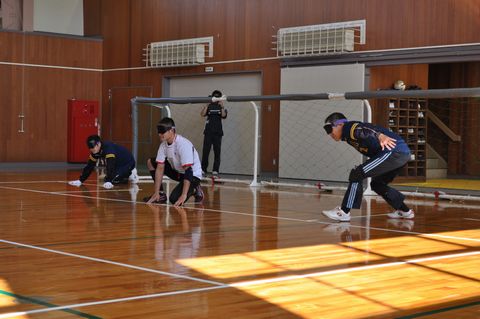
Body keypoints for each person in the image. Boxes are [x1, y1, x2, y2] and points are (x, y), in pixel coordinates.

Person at [321, 112, 414, 222]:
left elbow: (363, 128)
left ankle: (344, 212)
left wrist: (379, 135)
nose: (329, 134)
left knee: (357, 173)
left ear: (340, 124)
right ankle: (405, 211)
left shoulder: (348, 127)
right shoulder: (347, 137)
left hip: (394, 152)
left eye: (329, 128)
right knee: (377, 184)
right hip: (401, 154)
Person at [145, 117, 204, 206]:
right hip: (179, 173)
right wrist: (156, 192)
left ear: (171, 131)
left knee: (174, 199)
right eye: (159, 132)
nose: (160, 134)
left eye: (162, 132)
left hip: (192, 175)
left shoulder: (183, 145)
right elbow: (160, 168)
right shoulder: (163, 145)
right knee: (151, 162)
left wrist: (184, 195)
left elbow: (189, 170)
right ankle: (160, 195)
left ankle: (195, 188)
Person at [68, 135, 138, 189]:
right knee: (107, 179)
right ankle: (123, 175)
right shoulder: (95, 151)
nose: (92, 150)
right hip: (117, 164)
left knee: (112, 180)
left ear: (98, 144)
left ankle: (130, 173)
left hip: (127, 163)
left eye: (93, 147)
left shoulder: (108, 148)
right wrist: (80, 180)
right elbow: (90, 165)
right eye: (90, 149)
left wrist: (109, 181)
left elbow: (110, 165)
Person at [200, 90, 227, 178]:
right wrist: (207, 105)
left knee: (217, 152)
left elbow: (223, 116)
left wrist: (222, 106)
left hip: (218, 133)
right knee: (206, 151)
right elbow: (202, 114)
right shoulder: (209, 106)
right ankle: (203, 169)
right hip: (208, 132)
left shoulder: (221, 106)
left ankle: (215, 170)